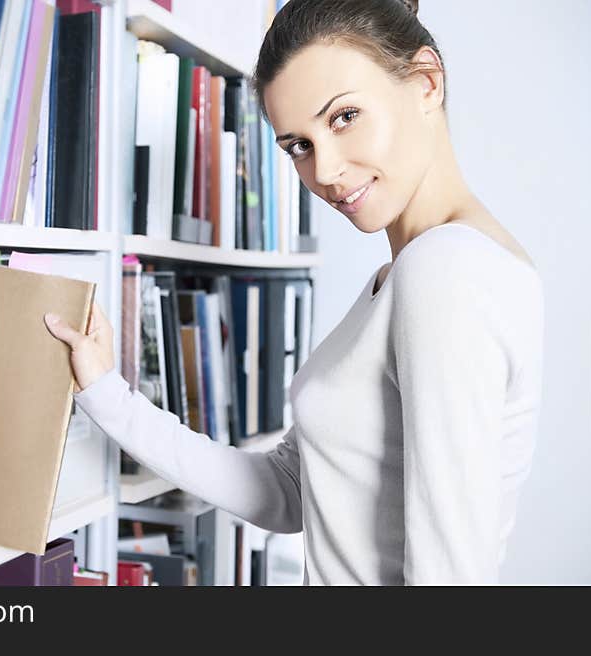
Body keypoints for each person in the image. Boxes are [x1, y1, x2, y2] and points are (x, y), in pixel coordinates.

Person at [43, 0, 544, 585]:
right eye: (298, 146)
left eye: (344, 116)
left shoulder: (446, 271)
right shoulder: (410, 274)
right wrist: (107, 394)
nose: (325, 170)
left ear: (426, 82)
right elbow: (285, 492)